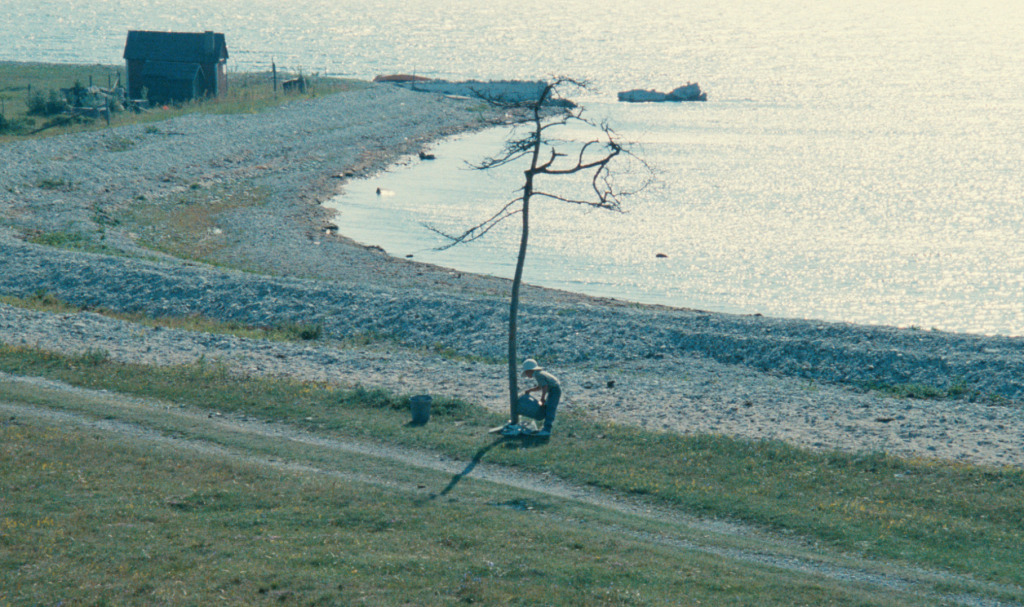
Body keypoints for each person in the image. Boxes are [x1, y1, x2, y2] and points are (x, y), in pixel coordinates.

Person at [503, 358, 561, 437]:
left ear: (530, 370)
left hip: (554, 391)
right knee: (548, 408)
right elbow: (540, 386)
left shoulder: (538, 375)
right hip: (554, 390)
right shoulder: (540, 373)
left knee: (550, 409)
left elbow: (545, 386)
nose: (527, 375)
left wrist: (542, 398)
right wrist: (530, 390)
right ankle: (546, 428)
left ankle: (547, 430)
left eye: (526, 373)